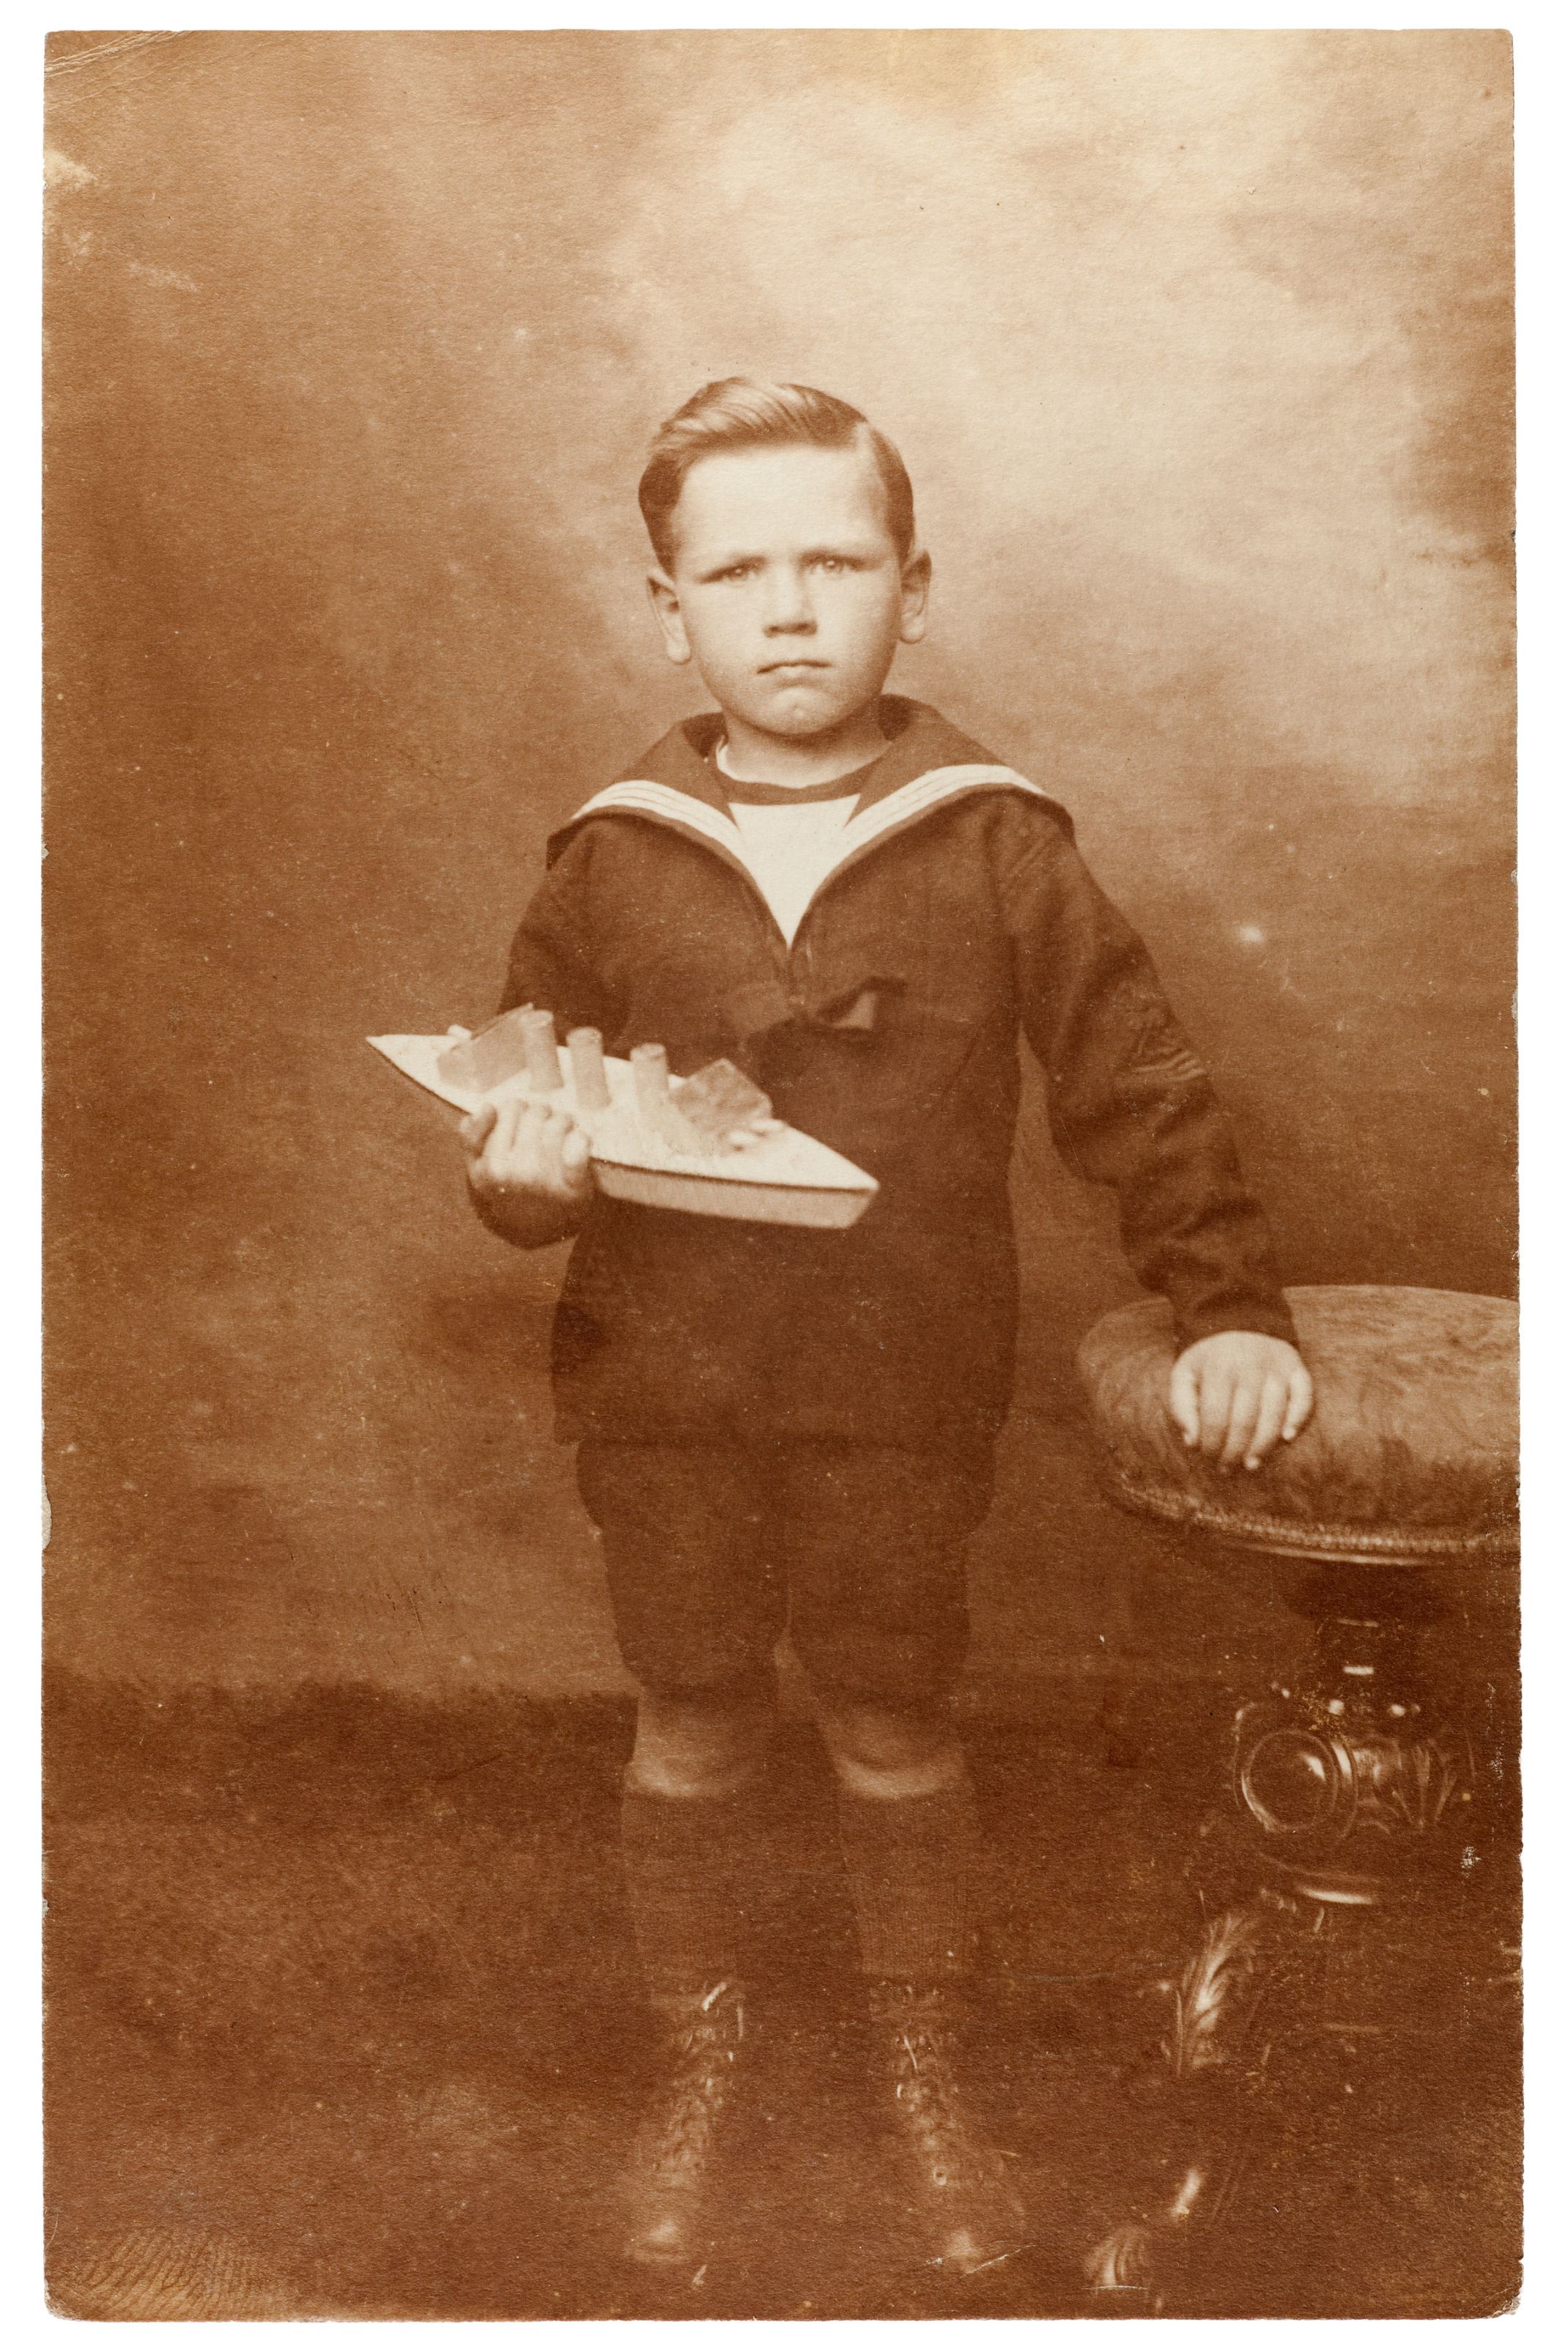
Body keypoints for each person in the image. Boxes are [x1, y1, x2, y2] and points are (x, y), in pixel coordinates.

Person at [456, 380, 1314, 2282]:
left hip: (898, 1379)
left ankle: (930, 2077)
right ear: (662, 606)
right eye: (735, 570)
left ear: (911, 592)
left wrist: (1223, 1306)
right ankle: (706, 2067)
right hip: (660, 1380)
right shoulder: (607, 853)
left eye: (834, 563)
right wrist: (520, 1168)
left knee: (891, 1707)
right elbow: (527, 1128)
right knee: (685, 1706)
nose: (787, 609)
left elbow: (1138, 1083)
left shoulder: (995, 838)